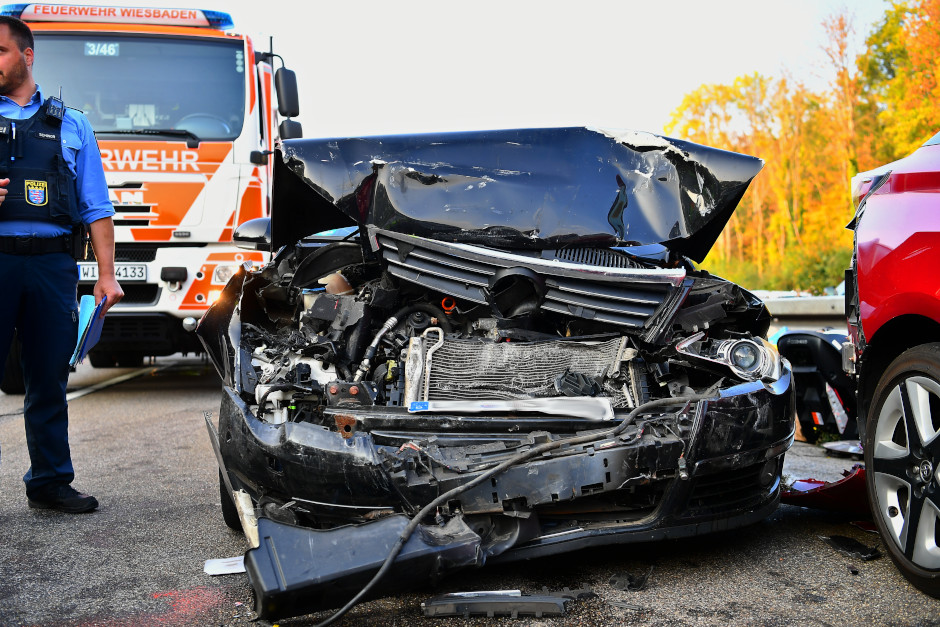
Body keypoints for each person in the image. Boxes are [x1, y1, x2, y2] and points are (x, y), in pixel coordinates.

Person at [0, 16, 123, 513]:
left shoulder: (72, 124)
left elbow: (96, 206)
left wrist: (107, 275)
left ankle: (49, 481)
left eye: (0, 51)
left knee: (49, 375)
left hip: (52, 266)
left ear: (27, 55)